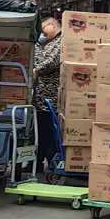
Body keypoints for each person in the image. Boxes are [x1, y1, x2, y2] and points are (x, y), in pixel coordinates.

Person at [32, 16, 62, 178]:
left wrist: (36, 70)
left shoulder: (61, 42)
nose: (42, 33)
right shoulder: (47, 43)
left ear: (52, 25)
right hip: (41, 98)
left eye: (44, 29)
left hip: (50, 98)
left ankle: (50, 164)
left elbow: (50, 62)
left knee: (48, 132)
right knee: (40, 133)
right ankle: (36, 164)